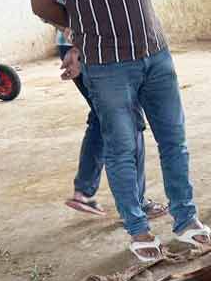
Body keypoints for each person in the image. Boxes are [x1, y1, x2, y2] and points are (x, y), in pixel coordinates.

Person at [28, 0, 209, 262]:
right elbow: (42, 5)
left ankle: (185, 219)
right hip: (106, 62)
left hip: (154, 50)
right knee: (121, 146)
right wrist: (81, 29)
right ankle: (138, 226)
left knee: (174, 141)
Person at [55, 26, 166, 221]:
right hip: (97, 49)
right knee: (128, 119)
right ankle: (135, 204)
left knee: (102, 116)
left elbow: (49, 10)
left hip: (83, 47)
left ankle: (84, 191)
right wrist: (79, 46)